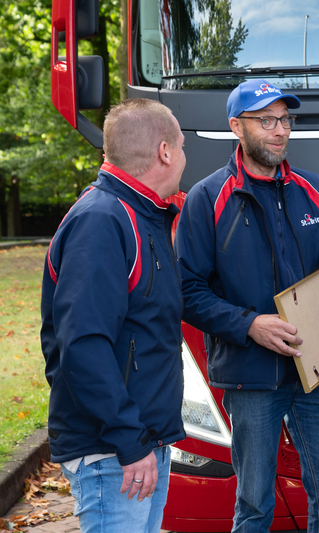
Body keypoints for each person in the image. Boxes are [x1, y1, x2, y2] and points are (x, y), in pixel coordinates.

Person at [176, 79, 319, 533]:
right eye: (266, 120)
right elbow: (186, 290)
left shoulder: (316, 190)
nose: (279, 130)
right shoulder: (208, 198)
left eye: (285, 119)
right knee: (254, 505)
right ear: (236, 127)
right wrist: (249, 325)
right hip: (251, 378)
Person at [40, 98, 187, 533]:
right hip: (115, 452)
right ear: (164, 152)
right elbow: (83, 345)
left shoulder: (141, 214)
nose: (184, 155)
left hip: (137, 442)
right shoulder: (103, 220)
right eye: (181, 145)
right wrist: (128, 440)